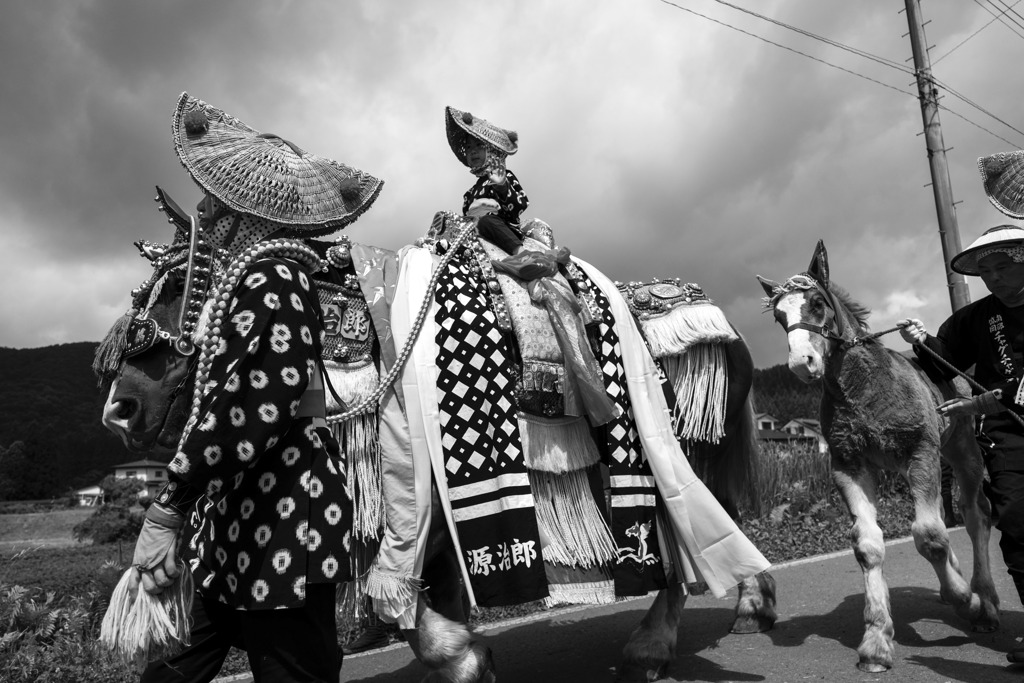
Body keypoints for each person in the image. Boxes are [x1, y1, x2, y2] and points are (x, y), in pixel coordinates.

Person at [132, 91, 383, 682]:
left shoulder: (274, 281)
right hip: (237, 521)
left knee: (294, 672)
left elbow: (250, 413)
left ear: (233, 210)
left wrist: (171, 502)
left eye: (210, 201)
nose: (201, 210)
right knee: (171, 669)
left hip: (282, 527)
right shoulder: (256, 280)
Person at [898, 224, 1024, 663]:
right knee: (1015, 517)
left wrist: (982, 402)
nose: (993, 278)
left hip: (996, 407)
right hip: (1007, 430)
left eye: (1003, 266)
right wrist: (922, 341)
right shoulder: (977, 317)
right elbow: (942, 366)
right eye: (985, 271)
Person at [446, 105, 529, 255]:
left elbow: (520, 205)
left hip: (503, 229)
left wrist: (502, 187)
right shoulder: (469, 194)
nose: (472, 151)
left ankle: (521, 254)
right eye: (468, 147)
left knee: (486, 221)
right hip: (477, 234)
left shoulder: (506, 176)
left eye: (479, 145)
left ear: (492, 150)